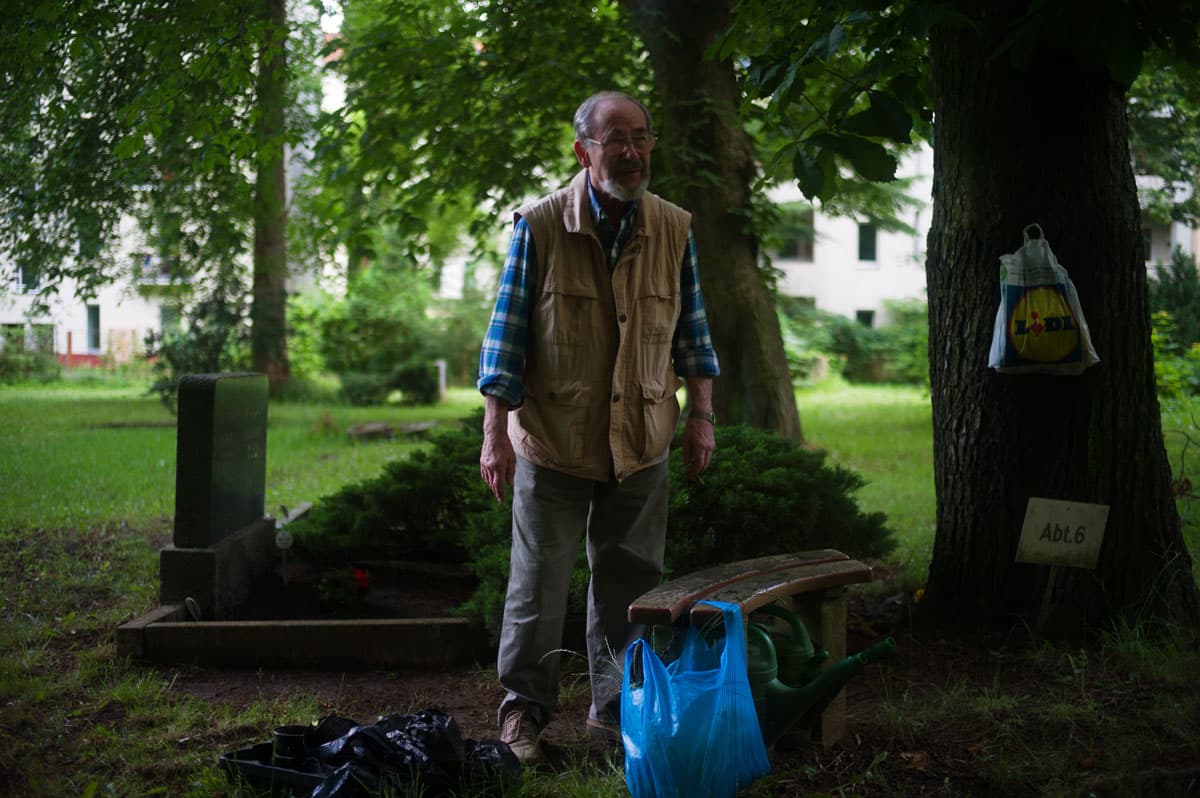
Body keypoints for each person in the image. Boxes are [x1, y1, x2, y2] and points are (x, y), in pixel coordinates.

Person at [477, 90, 720, 763]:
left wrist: (700, 415)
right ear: (582, 150)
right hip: (553, 438)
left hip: (641, 438)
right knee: (538, 582)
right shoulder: (540, 224)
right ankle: (521, 714)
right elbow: (505, 339)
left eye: (641, 137)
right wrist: (494, 430)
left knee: (632, 583)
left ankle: (615, 709)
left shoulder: (674, 226)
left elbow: (694, 333)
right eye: (617, 139)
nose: (633, 151)